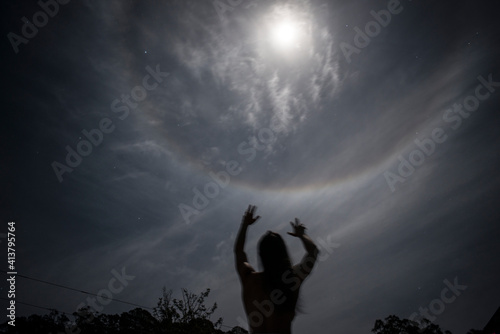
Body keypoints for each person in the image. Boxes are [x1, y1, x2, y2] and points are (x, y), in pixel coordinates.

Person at [234, 205, 319, 334]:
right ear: (283, 253)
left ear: (262, 255)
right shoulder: (292, 280)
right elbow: (313, 252)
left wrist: (245, 224)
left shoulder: (250, 279)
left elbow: (239, 252)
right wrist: (302, 235)